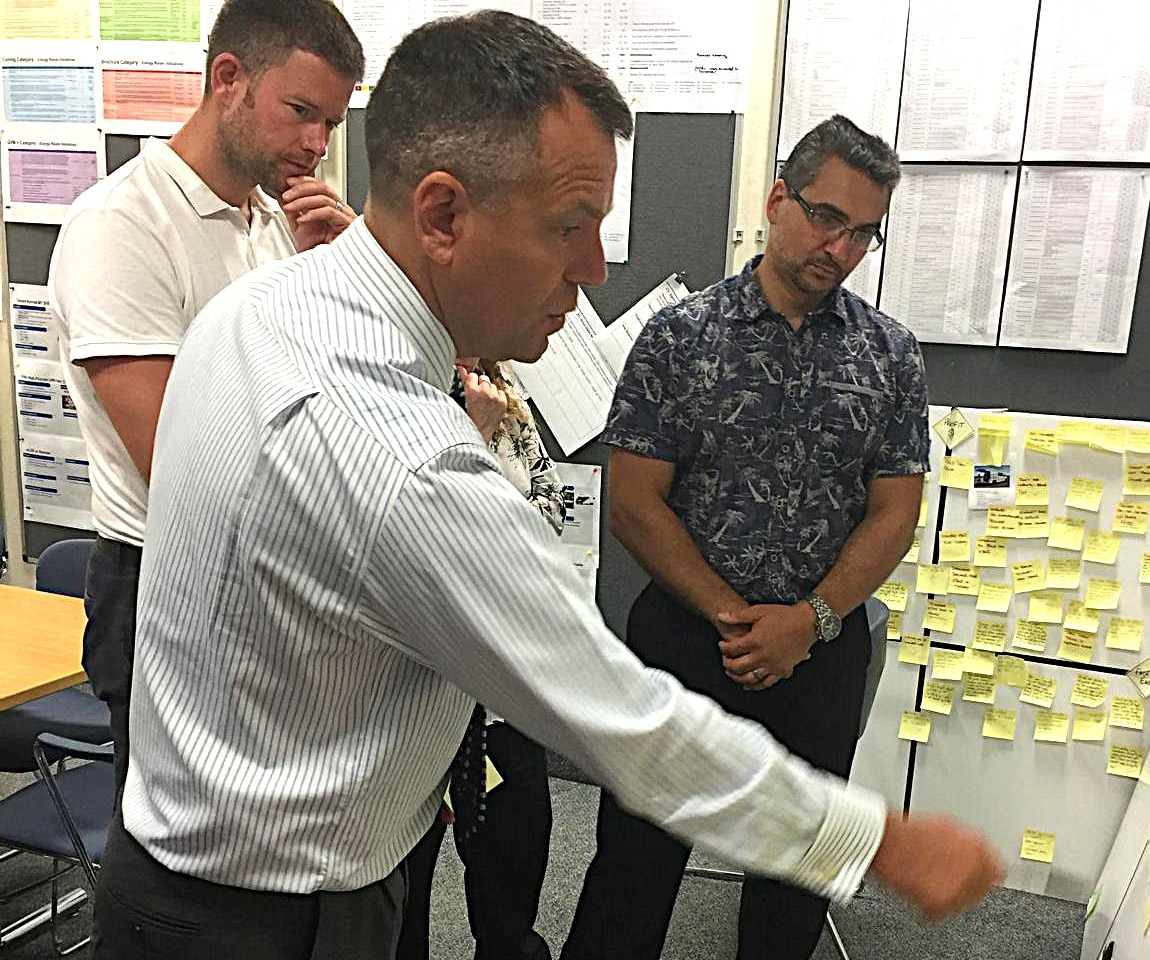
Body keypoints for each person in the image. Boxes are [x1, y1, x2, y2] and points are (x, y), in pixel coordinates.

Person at [93, 16, 1001, 959]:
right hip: (266, 915)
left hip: (185, 861)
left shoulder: (261, 305)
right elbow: (623, 723)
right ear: (443, 215)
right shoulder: (404, 461)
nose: (595, 268)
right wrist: (882, 842)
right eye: (569, 227)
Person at [562, 115, 929, 960]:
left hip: (821, 648)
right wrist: (735, 618)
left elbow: (893, 513)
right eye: (826, 217)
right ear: (777, 199)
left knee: (800, 868)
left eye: (863, 233)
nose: (839, 247)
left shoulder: (890, 356)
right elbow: (635, 503)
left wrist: (811, 620)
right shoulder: (681, 336)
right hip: (689, 640)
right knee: (637, 861)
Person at [47, 0, 363, 792]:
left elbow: (336, 399)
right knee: (181, 869)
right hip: (170, 581)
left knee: (271, 856)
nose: (315, 146)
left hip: (270, 569)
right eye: (300, 113)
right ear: (228, 78)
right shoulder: (121, 227)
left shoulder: (272, 222)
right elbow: (179, 463)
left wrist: (345, 277)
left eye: (329, 123)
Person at [397, 359, 563, 960]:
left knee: (512, 872)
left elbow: (547, 517)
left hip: (501, 686)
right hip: (409, 690)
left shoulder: (498, 382)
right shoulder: (390, 382)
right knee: (399, 897)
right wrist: (470, 437)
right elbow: (412, 533)